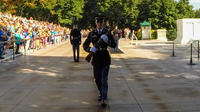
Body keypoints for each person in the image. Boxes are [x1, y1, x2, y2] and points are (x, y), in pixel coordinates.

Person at [83, 17, 116, 106]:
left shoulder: (107, 33)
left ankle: (104, 98)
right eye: (98, 22)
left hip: (105, 58)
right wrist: (90, 49)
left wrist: (107, 41)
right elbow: (85, 45)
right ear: (96, 22)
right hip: (96, 58)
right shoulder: (92, 33)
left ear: (103, 23)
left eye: (101, 22)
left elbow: (114, 45)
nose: (100, 24)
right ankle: (101, 93)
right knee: (97, 79)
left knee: (104, 79)